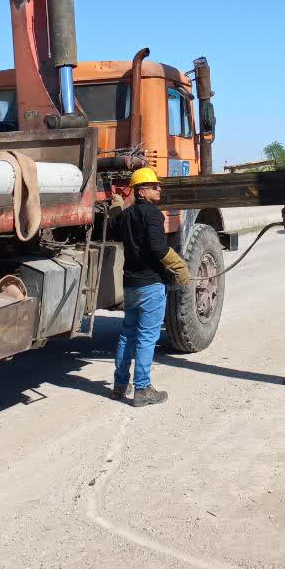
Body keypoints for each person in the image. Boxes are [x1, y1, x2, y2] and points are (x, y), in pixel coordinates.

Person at [110, 167, 191, 406]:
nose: (159, 188)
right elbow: (157, 247)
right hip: (150, 285)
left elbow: (114, 225)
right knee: (147, 337)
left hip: (131, 285)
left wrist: (116, 207)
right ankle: (143, 389)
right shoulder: (154, 215)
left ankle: (119, 386)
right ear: (141, 190)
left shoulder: (126, 216)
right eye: (154, 185)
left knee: (127, 335)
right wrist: (179, 266)